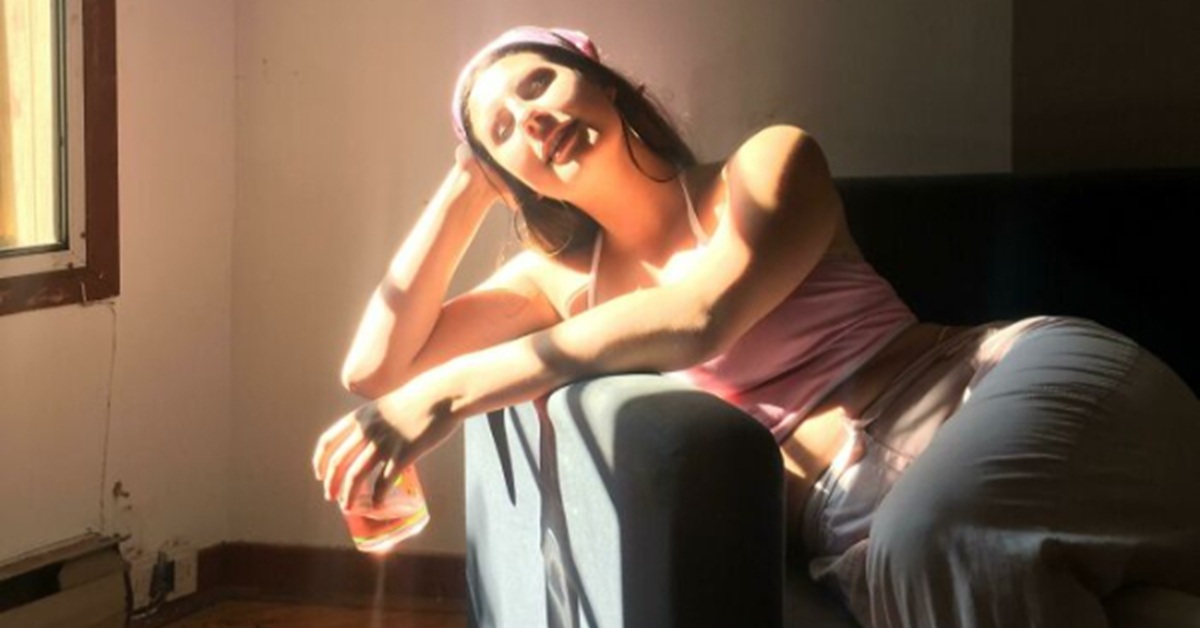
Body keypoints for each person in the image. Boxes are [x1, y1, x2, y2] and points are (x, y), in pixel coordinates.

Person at [312, 26, 1200, 627]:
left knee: (935, 541)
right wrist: (467, 182)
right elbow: (376, 367)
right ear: (515, 180)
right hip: (872, 526)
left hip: (1005, 387)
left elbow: (700, 317)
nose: (533, 117)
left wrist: (445, 396)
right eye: (504, 127)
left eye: (540, 81)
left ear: (602, 82)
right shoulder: (559, 286)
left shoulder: (767, 164)